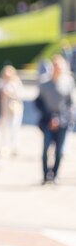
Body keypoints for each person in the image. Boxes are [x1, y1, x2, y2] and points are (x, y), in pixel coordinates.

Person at [36, 55, 76, 184]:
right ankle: (45, 174)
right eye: (56, 65)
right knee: (46, 149)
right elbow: (39, 102)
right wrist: (50, 117)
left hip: (62, 122)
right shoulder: (44, 83)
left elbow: (70, 104)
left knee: (59, 151)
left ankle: (55, 174)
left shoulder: (68, 82)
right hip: (47, 121)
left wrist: (60, 119)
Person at [0, 65, 24, 157]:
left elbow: (20, 95)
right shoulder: (2, 83)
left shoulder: (16, 83)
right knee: (4, 129)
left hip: (14, 108)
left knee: (14, 128)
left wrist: (10, 93)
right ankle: (5, 146)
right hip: (4, 109)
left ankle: (14, 147)